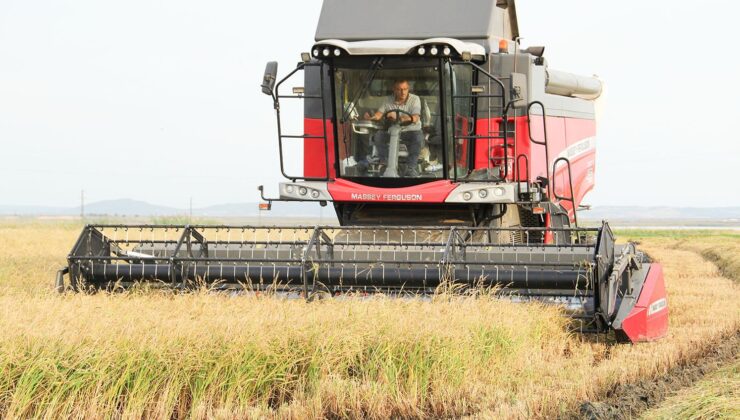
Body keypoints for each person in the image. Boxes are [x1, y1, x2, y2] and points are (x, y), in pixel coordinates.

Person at [363, 79, 423, 177]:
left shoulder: (415, 99)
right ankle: (385, 164)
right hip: (393, 131)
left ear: (408, 89)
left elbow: (415, 118)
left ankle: (411, 167)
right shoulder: (388, 100)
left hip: (411, 131)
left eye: (405, 89)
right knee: (378, 136)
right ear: (394, 90)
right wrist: (370, 117)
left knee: (418, 138)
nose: (403, 92)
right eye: (399, 89)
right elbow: (379, 114)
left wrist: (398, 117)